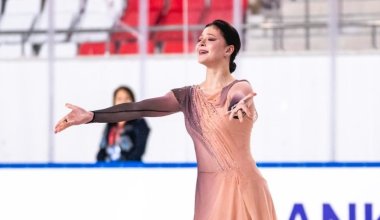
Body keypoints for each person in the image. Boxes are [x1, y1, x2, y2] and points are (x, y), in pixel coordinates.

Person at [55, 19, 277, 219]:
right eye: (200, 39)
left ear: (229, 49)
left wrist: (237, 104)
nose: (201, 43)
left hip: (241, 186)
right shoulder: (187, 97)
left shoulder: (240, 87)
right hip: (208, 189)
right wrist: (92, 116)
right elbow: (138, 108)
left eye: (210, 39)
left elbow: (239, 97)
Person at [96, 86, 150, 162]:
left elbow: (138, 152)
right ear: (114, 102)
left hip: (129, 168)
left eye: (127, 98)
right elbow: (102, 149)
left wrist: (124, 166)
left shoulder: (139, 122)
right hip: (108, 167)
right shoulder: (110, 123)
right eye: (119, 99)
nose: (123, 102)